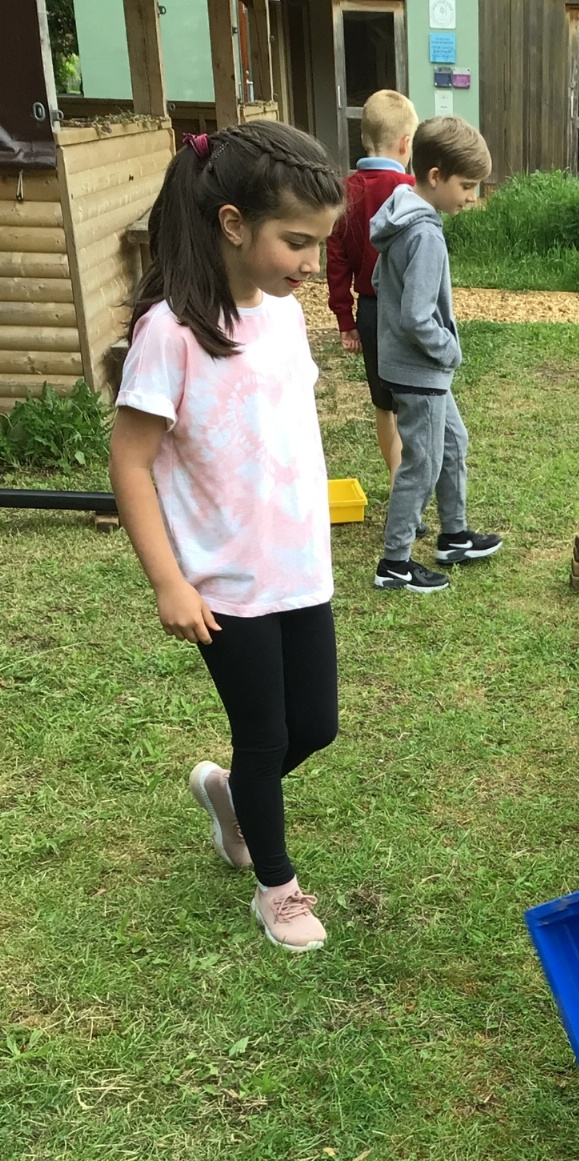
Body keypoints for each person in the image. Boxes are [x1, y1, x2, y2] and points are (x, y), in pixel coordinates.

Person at [109, 123, 345, 952]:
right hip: (224, 584)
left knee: (315, 726)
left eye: (319, 244)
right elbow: (130, 460)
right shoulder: (171, 332)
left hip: (300, 569)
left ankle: (231, 793)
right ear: (234, 224)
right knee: (266, 735)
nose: (311, 263)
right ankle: (276, 888)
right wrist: (169, 582)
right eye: (296, 242)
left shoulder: (283, 317)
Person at [371, 116, 502, 593]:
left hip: (412, 368)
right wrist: (448, 349)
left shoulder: (399, 216)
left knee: (452, 443)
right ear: (434, 176)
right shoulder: (425, 234)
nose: (472, 196)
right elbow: (416, 316)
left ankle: (454, 537)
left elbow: (379, 280)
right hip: (420, 370)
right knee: (421, 464)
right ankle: (395, 563)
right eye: (466, 186)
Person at [326, 89, 418, 485]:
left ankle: (398, 481)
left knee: (384, 406)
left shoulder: (345, 193)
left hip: (370, 311)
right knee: (413, 400)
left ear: (364, 138)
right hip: (409, 310)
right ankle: (414, 485)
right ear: (405, 143)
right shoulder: (412, 191)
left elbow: (336, 261)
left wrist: (345, 320)